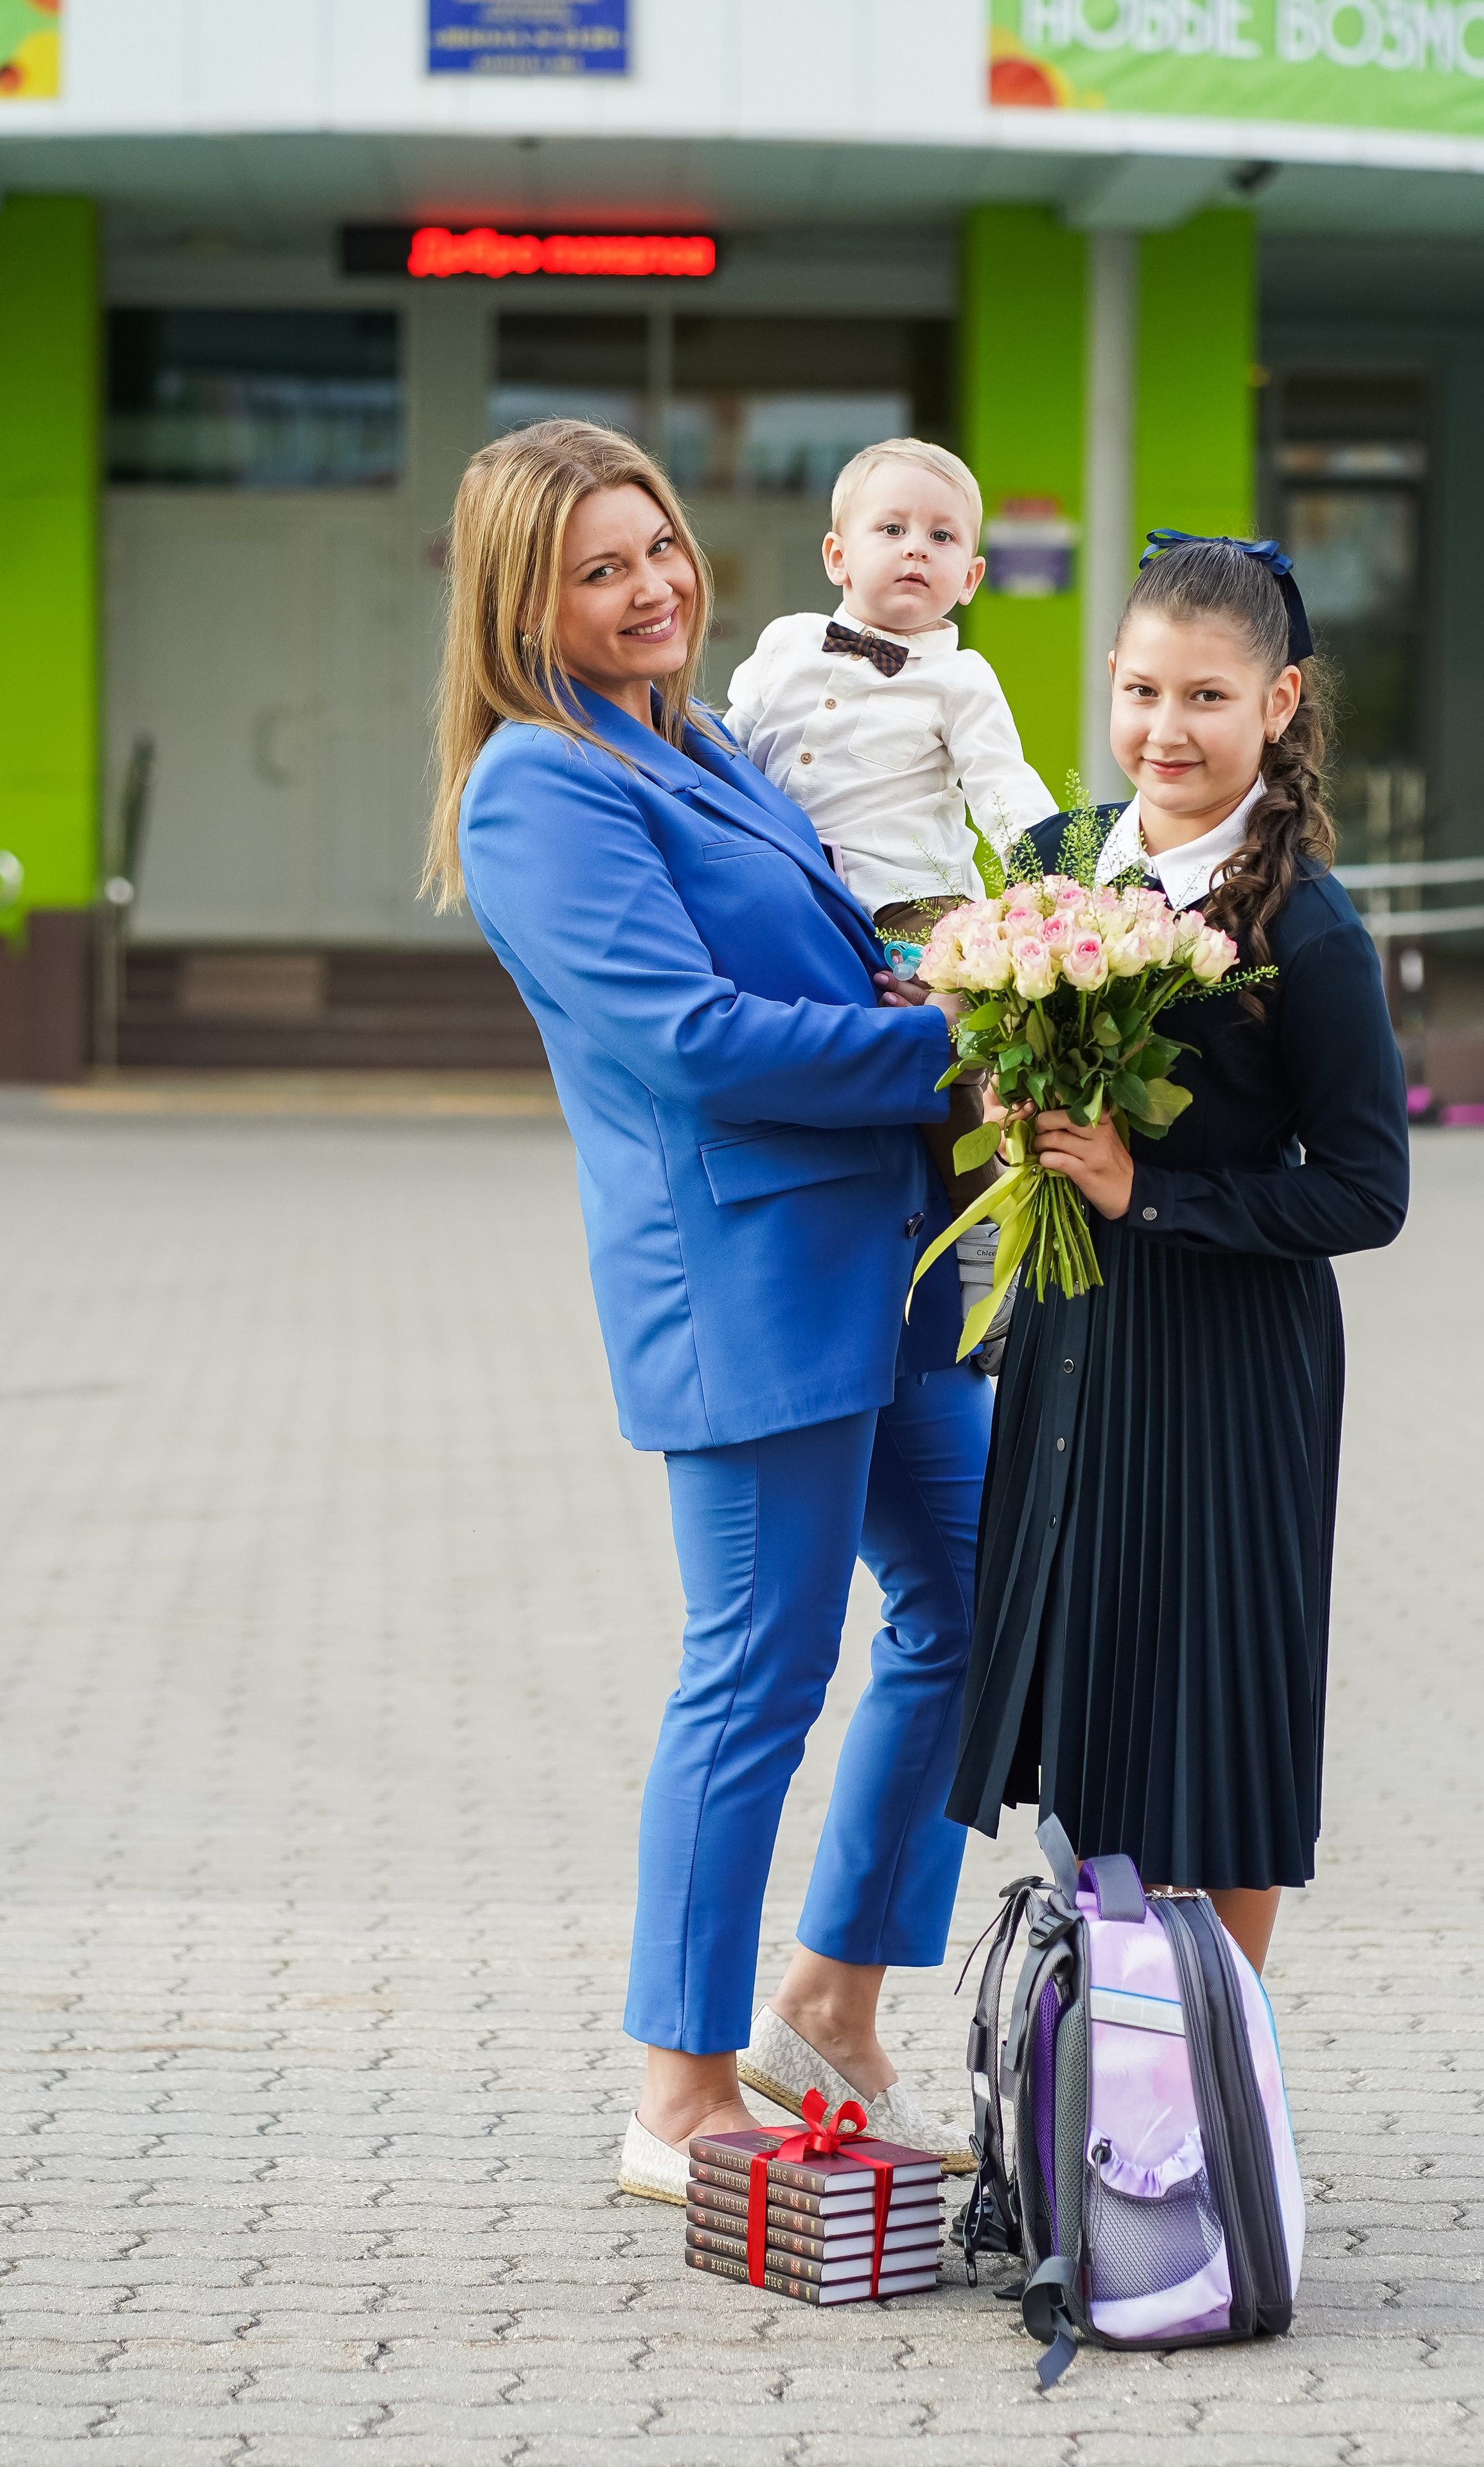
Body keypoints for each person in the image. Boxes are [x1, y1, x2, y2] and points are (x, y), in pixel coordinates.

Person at [423, 420, 994, 2202]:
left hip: (886, 1252)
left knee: (984, 1604)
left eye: (658, 546)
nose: (652, 588)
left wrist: (953, 982)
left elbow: (809, 957)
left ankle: (826, 2004)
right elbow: (688, 1039)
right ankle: (677, 2096)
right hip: (746, 1283)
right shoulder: (540, 786)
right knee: (756, 1671)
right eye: (597, 572)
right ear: (520, 603)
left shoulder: (707, 741)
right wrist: (945, 1053)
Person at [944, 533, 1410, 1977]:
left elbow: (1366, 1192)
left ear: (1279, 703)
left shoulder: (1305, 926)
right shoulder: (1052, 866)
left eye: (1207, 698)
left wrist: (1148, 1192)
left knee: (1222, 1714)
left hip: (1230, 1366)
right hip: (1075, 1343)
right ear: (1108, 679)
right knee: (1091, 1692)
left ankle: (1217, 2067)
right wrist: (1007, 1103)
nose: (1167, 729)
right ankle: (1109, 2054)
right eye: (1142, 691)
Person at [724, 436, 1059, 1350]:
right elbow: (728, 741)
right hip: (796, 894)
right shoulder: (784, 644)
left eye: (943, 537)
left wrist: (1051, 885)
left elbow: (1003, 786)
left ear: (972, 577)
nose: (917, 548)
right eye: (892, 529)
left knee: (940, 1053)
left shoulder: (962, 679)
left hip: (913, 902)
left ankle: (988, 1240)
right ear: (838, 555)